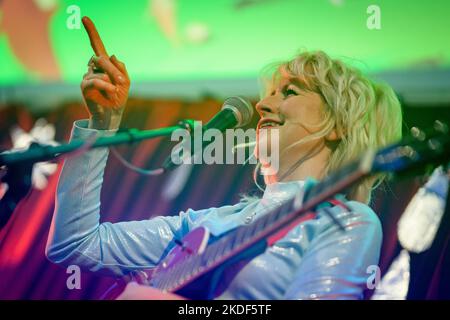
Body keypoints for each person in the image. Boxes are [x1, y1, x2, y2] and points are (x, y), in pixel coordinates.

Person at [46, 16, 402, 300]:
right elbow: (75, 244)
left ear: (337, 124)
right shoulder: (211, 224)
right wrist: (103, 125)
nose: (262, 104)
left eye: (289, 92)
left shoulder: (348, 221)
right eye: (269, 93)